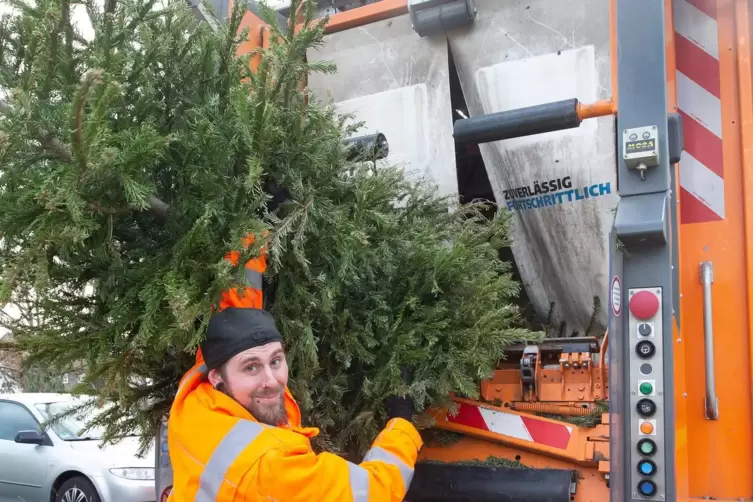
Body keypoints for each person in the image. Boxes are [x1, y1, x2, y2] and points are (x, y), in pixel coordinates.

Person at [167, 306, 423, 501]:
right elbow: (374, 490)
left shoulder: (191, 403)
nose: (271, 381)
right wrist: (401, 422)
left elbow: (235, 303)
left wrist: (252, 243)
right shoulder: (274, 466)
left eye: (276, 361)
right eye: (251, 367)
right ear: (217, 377)